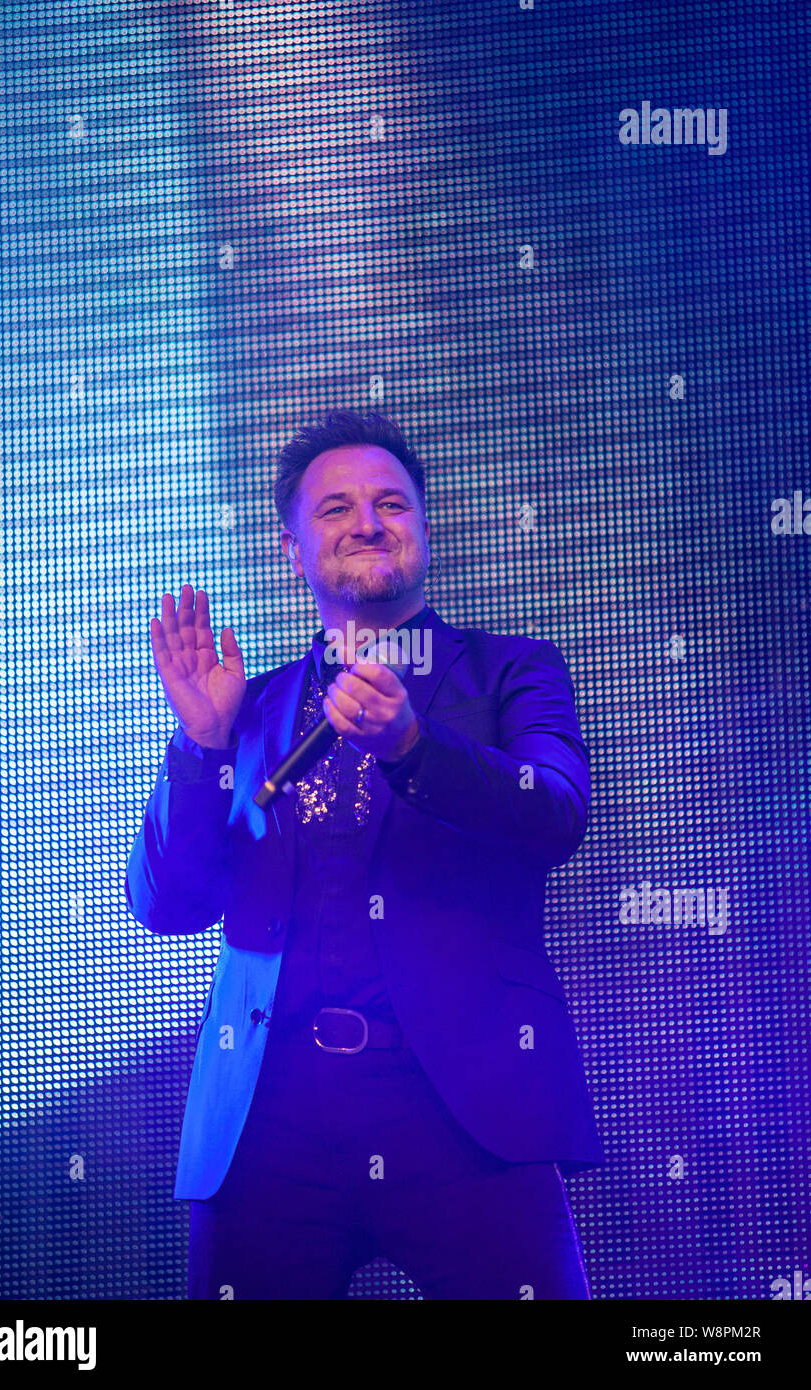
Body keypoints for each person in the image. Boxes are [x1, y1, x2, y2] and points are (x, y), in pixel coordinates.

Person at [125, 407, 604, 1300]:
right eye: (336, 509)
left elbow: (557, 812)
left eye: (391, 503)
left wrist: (415, 746)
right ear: (292, 550)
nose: (369, 522)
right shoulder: (251, 707)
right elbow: (170, 905)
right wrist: (198, 747)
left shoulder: (510, 671)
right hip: (270, 1120)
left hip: (469, 1112)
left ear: (424, 528)